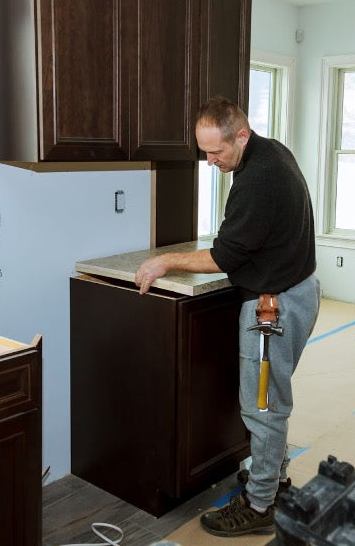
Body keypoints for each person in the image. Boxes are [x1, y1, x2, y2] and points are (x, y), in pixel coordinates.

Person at [134, 96, 319, 537]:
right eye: (204, 152)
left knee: (262, 406)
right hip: (297, 290)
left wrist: (166, 262)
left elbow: (225, 254)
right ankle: (272, 480)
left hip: (272, 307)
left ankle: (258, 507)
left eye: (217, 151)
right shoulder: (271, 151)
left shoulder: (258, 178)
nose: (211, 161)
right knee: (270, 400)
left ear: (241, 134)